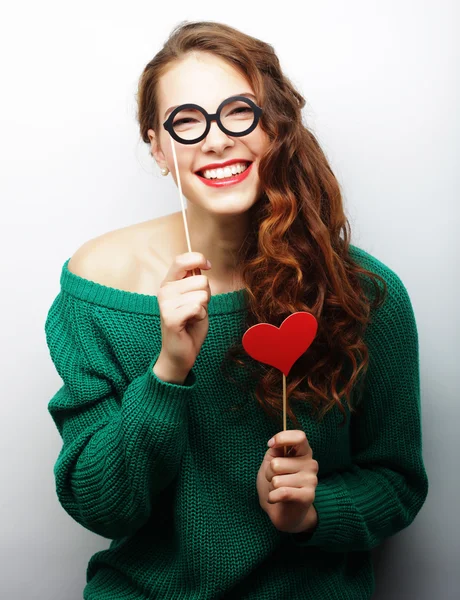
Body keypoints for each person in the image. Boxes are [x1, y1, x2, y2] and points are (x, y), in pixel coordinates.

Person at [44, 20, 429, 600]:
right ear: (157, 147)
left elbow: (397, 481)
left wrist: (311, 512)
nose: (217, 139)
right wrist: (168, 368)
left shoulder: (366, 294)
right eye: (188, 122)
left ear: (275, 125)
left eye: (238, 112)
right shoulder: (96, 287)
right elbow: (102, 507)